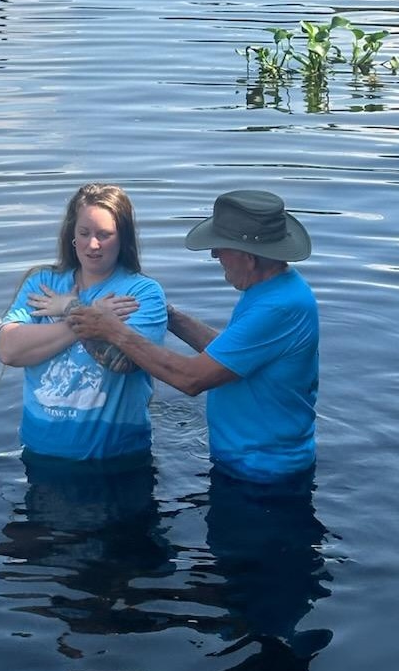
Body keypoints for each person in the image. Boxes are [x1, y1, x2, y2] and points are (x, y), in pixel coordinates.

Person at [68, 189, 319, 483]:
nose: (214, 254)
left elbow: (191, 379)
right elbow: (230, 356)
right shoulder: (271, 288)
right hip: (247, 465)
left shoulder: (279, 307)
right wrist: (170, 316)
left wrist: (112, 329)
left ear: (248, 258)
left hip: (264, 478)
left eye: (221, 247)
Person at [0, 183, 167, 460]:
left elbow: (125, 362)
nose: (93, 245)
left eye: (105, 235)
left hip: (118, 460)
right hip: (39, 454)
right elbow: (9, 350)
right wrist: (83, 317)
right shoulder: (43, 282)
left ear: (123, 238)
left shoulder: (141, 292)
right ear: (72, 235)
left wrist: (70, 307)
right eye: (84, 233)